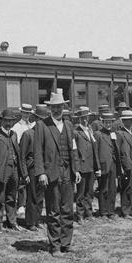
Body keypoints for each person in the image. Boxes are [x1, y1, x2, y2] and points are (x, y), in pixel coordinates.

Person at [33, 91, 80, 254]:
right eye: (54, 107)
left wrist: (77, 169)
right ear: (50, 108)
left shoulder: (68, 124)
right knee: (54, 211)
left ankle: (66, 244)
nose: (57, 109)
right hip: (51, 172)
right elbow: (37, 150)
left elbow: (73, 148)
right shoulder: (42, 125)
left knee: (68, 210)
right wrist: (41, 173)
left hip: (67, 172)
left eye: (60, 106)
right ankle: (55, 246)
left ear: (64, 107)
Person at [0, 108, 26, 231]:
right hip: (2, 170)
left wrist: (21, 171)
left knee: (12, 197)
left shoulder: (14, 134)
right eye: (6, 120)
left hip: (14, 170)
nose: (8, 123)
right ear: (1, 120)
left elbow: (18, 152)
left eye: (10, 121)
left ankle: (12, 222)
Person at [20, 105, 48, 230]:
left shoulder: (46, 135)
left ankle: (37, 220)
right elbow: (22, 157)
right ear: (35, 119)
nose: (41, 122)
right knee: (31, 196)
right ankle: (30, 222)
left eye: (44, 119)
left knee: (40, 195)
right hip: (31, 169)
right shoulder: (28, 134)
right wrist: (24, 174)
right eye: (39, 119)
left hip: (42, 169)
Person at [73, 107, 99, 221]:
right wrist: (77, 169)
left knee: (90, 191)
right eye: (82, 118)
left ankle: (88, 213)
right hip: (82, 167)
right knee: (80, 193)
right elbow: (75, 152)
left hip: (91, 166)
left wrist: (97, 166)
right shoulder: (76, 132)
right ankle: (79, 215)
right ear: (79, 119)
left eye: (86, 117)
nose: (85, 120)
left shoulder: (90, 130)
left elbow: (94, 149)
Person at [94, 111, 121, 218]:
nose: (108, 124)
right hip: (103, 165)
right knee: (103, 189)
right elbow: (96, 152)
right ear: (102, 122)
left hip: (113, 165)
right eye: (106, 122)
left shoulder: (113, 134)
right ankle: (103, 211)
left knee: (112, 189)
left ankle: (111, 211)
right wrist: (98, 167)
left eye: (110, 122)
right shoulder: (98, 134)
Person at [116, 110, 132, 217]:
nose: (130, 122)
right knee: (126, 187)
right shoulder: (120, 133)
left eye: (131, 120)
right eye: (127, 120)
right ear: (123, 121)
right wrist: (121, 166)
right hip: (126, 163)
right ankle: (125, 210)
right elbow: (118, 151)